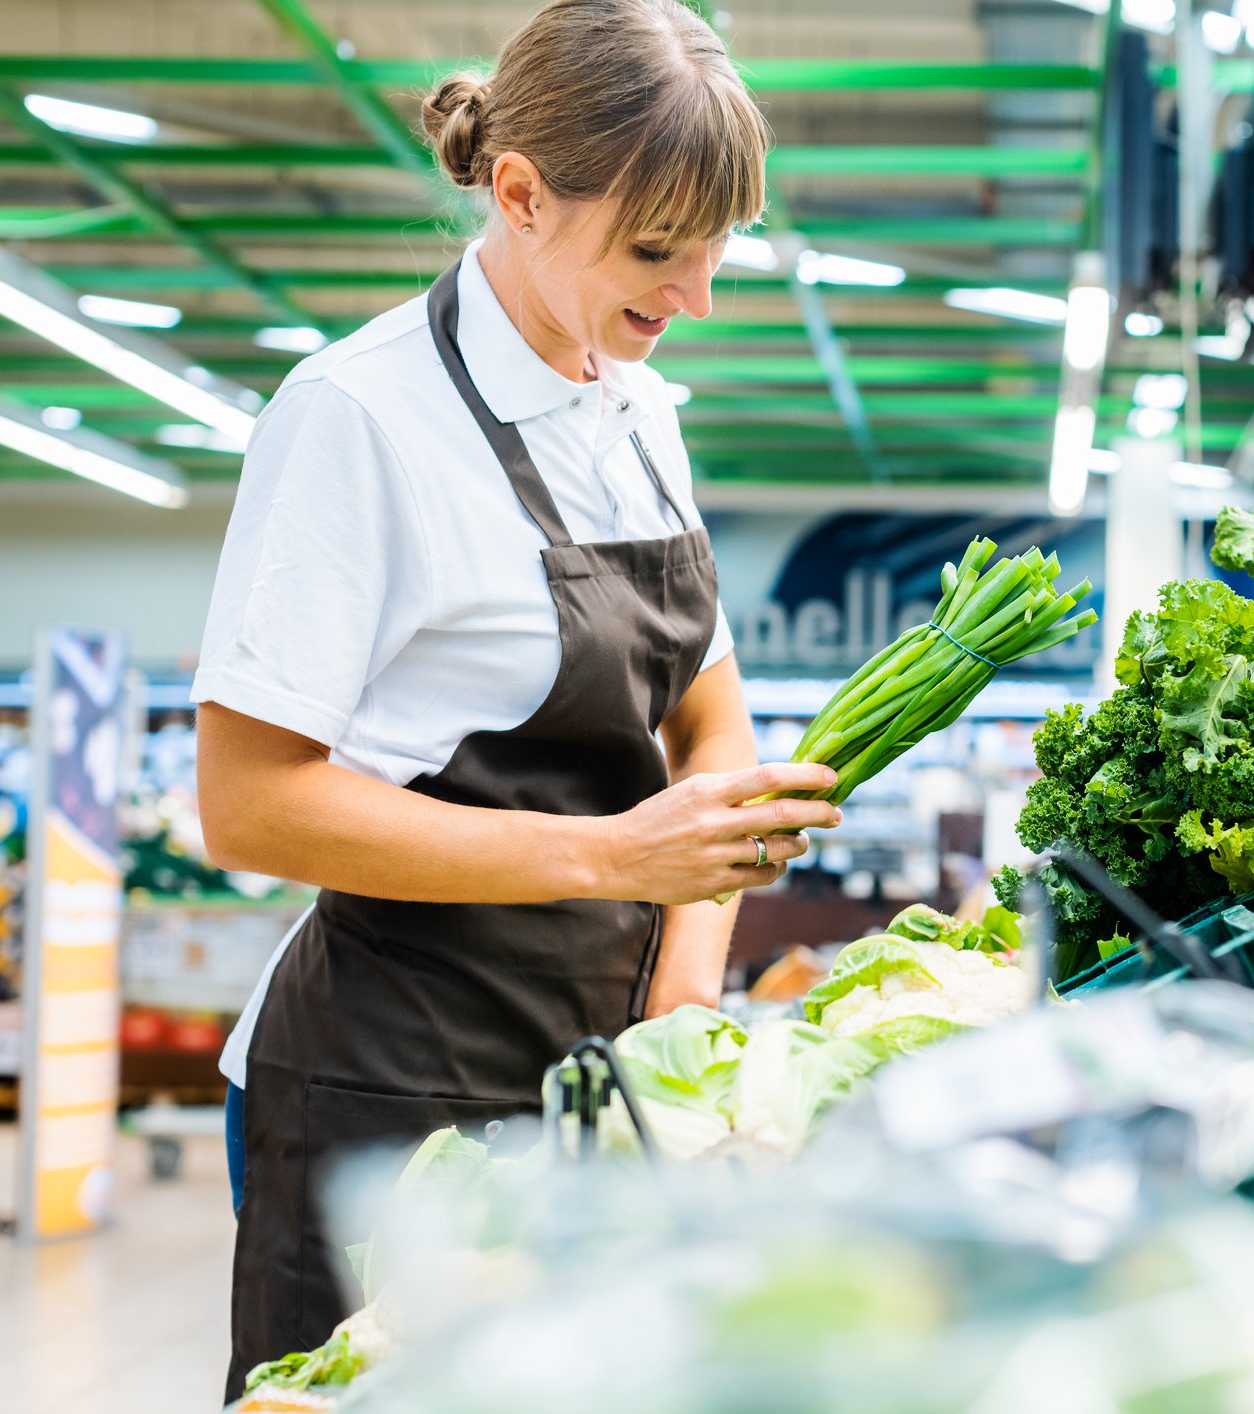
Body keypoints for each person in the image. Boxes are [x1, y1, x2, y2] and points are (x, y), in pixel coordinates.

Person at [191, 1, 837, 1396]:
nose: (698, 294)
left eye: (719, 245)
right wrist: (613, 854)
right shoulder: (358, 417)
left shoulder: (640, 413)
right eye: (657, 249)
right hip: (383, 1089)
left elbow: (710, 727)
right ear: (522, 194)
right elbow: (246, 803)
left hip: (592, 1088)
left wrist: (683, 986)